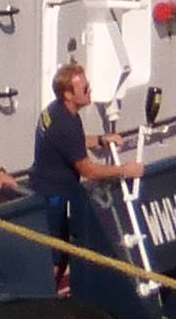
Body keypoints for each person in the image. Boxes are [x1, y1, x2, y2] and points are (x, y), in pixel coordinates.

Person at [25, 62, 138, 264]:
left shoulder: (56, 111)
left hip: (45, 186)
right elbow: (89, 171)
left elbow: (72, 143)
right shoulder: (66, 124)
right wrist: (125, 171)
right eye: (85, 88)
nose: (90, 90)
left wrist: (101, 140)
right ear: (69, 95)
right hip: (54, 196)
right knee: (55, 253)